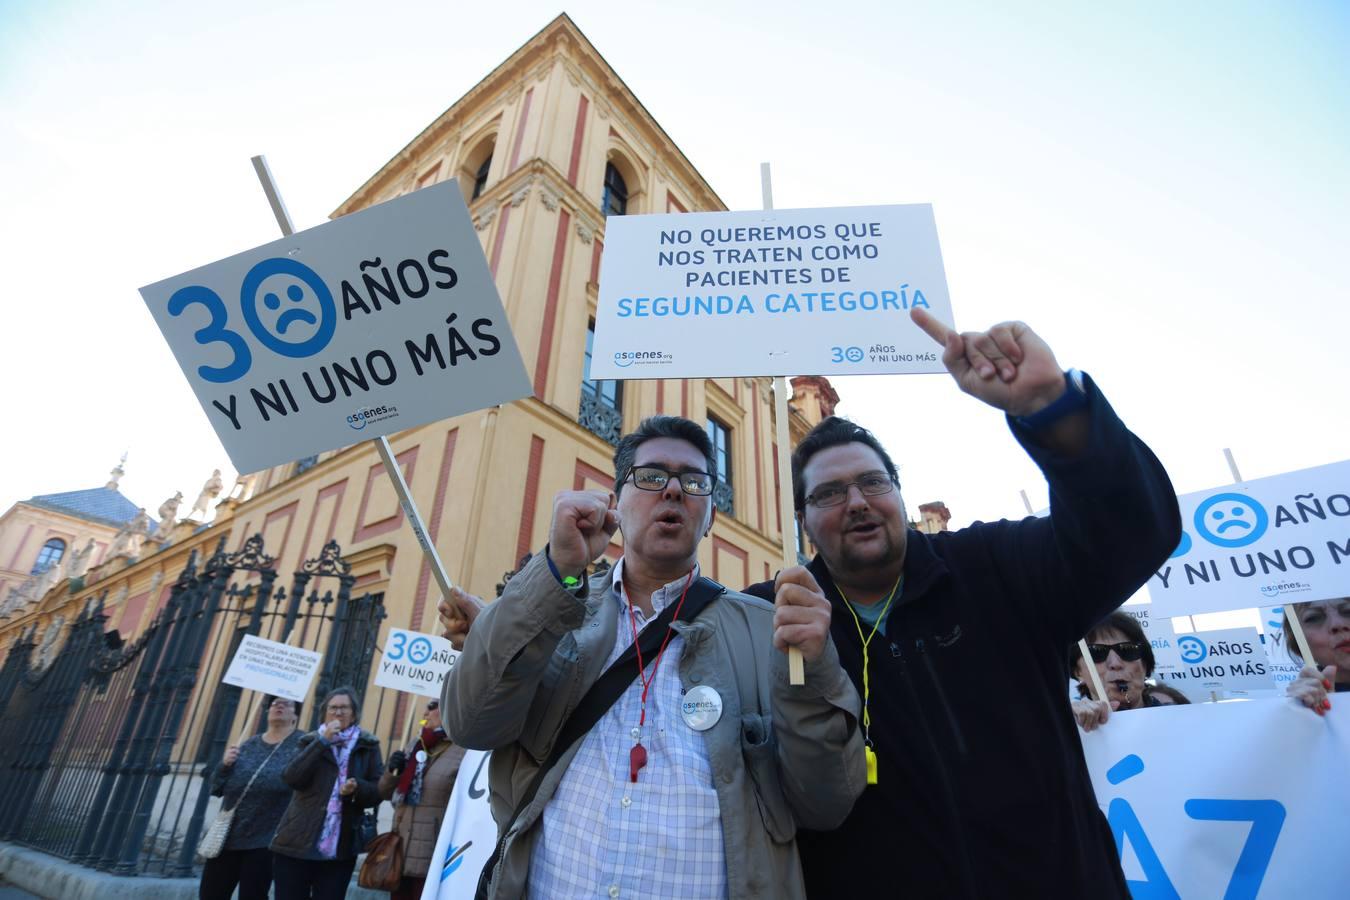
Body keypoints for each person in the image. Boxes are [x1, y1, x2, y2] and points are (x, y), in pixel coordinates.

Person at [743, 309, 1181, 898]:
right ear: (802, 521)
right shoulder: (769, 619)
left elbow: (1133, 531)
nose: (856, 502)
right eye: (828, 493)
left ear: (898, 493)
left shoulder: (995, 566)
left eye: (873, 483)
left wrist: (1053, 410)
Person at [443, 415, 865, 900]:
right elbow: (470, 723)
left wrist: (813, 674)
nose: (672, 490)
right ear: (615, 504)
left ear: (710, 517)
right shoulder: (552, 610)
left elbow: (825, 802)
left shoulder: (768, 629)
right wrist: (554, 573)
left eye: (694, 480)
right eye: (650, 477)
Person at [271, 687, 383, 900]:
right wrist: (322, 742)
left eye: (344, 708)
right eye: (333, 708)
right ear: (324, 713)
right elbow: (292, 778)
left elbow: (377, 791)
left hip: (340, 848)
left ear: (354, 713)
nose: (338, 713)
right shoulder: (308, 741)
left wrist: (356, 787)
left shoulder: (368, 746)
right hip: (297, 841)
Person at [200, 696, 303, 900]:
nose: (278, 706)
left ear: (296, 715)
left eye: (286, 703)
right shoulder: (248, 744)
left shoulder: (301, 745)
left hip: (266, 840)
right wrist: (225, 765)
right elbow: (217, 788)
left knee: (253, 895)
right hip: (228, 836)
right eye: (274, 703)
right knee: (211, 894)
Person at [377, 698, 466, 900]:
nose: (426, 712)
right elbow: (385, 793)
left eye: (433, 706)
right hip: (399, 852)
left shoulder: (463, 751)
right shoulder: (416, 745)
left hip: (432, 855)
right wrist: (392, 770)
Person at [1069, 610, 1156, 731]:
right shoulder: (1068, 731)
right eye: (1096, 652)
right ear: (1078, 672)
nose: (1115, 663)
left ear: (1145, 664)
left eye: (1128, 649)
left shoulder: (1183, 722)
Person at [1282, 596, 1347, 715]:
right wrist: (1299, 714)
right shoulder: (1304, 701)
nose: (1337, 624)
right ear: (1297, 642)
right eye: (1314, 618)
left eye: (1348, 611)